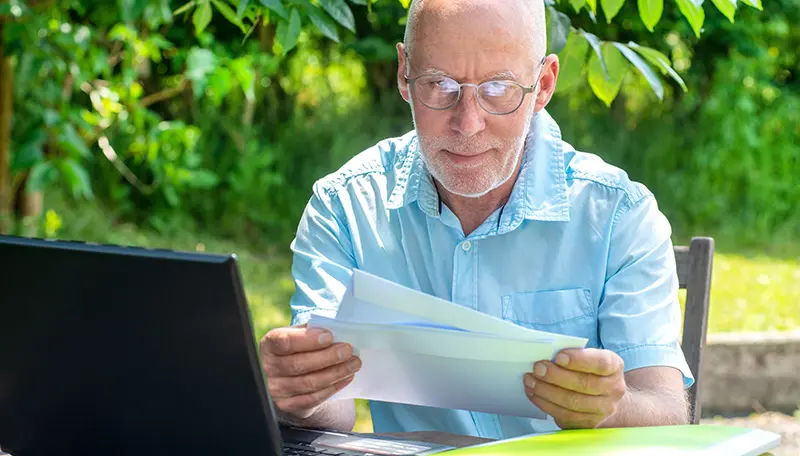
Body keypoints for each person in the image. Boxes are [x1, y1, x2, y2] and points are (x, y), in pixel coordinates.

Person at [259, 0, 694, 440]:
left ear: (543, 85)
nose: (467, 124)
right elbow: (332, 413)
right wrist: (300, 393)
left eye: (498, 89)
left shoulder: (619, 215)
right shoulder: (344, 207)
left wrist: (612, 408)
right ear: (403, 74)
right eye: (439, 84)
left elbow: (666, 410)